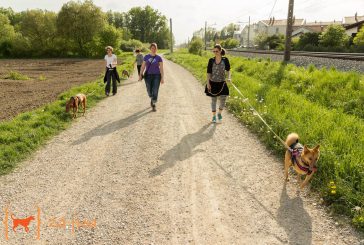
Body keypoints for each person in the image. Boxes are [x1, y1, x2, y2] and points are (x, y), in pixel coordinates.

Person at [205, 44, 231, 123]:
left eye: (216, 51)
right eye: (214, 51)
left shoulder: (225, 60)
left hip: (222, 83)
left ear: (220, 51)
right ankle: (213, 117)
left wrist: (229, 77)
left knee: (223, 99)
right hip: (213, 83)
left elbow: (228, 70)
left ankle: (219, 114)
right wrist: (208, 83)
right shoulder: (211, 60)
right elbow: (208, 73)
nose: (215, 52)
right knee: (214, 100)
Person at [138, 43, 164, 112]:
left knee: (155, 90)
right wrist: (140, 75)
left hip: (157, 75)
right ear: (150, 49)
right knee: (149, 90)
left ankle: (153, 104)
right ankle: (152, 98)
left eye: (155, 48)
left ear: (156, 49)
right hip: (148, 76)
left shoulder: (159, 58)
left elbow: (161, 68)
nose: (153, 49)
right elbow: (143, 66)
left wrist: (162, 77)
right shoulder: (146, 57)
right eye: (152, 48)